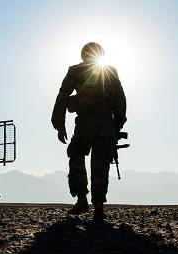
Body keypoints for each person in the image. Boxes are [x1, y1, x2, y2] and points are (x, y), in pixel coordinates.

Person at [51, 42, 127, 221]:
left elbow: (62, 96)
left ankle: (84, 200)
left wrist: (60, 124)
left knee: (81, 157)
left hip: (88, 123)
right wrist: (118, 124)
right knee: (99, 163)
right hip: (102, 123)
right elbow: (120, 98)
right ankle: (96, 206)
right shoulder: (108, 71)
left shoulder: (76, 71)